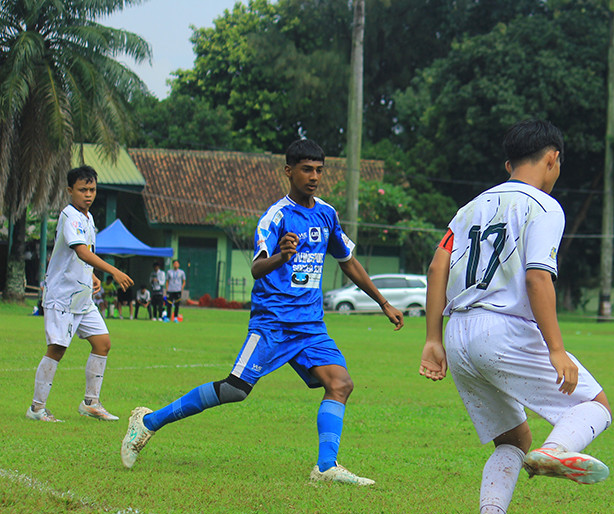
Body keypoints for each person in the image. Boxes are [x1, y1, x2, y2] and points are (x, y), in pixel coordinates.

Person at [121, 139, 404, 484]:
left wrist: (383, 302)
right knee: (235, 390)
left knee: (341, 383)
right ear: (289, 171)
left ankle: (326, 467)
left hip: (310, 325)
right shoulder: (276, 217)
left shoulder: (327, 214)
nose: (314, 176)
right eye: (306, 169)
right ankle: (149, 422)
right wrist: (281, 258)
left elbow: (348, 262)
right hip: (272, 323)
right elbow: (256, 269)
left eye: (319, 170)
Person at [420, 119, 612, 514]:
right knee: (595, 406)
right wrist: (557, 349)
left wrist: (433, 339)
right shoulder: (545, 206)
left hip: (458, 332)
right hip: (502, 330)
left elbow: (436, 268)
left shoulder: (469, 208)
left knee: (513, 438)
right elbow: (538, 277)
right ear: (552, 159)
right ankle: (558, 450)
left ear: (509, 163)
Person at [27, 165, 133, 422]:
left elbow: (82, 255)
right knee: (57, 349)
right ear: (69, 191)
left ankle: (90, 403)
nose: (88, 194)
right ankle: (36, 408)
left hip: (82, 296)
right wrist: (112, 272)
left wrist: (93, 276)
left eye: (92, 189)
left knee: (102, 343)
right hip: (62, 295)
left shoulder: (88, 217)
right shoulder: (70, 216)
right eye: (82, 189)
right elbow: (81, 251)